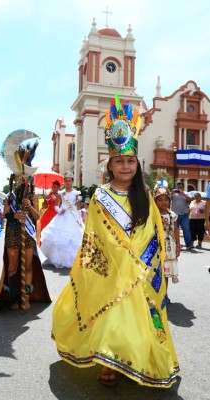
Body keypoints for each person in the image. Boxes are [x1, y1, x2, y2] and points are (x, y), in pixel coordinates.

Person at [51, 94, 180, 389]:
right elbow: (96, 234)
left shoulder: (145, 195)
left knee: (140, 318)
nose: (125, 166)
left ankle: (137, 358)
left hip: (142, 268)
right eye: (119, 161)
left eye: (130, 161)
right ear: (110, 164)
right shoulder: (100, 196)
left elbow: (152, 232)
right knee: (113, 314)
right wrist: (123, 259)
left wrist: (140, 261)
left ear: (137, 163)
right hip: (113, 269)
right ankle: (109, 361)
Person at [0, 174, 51, 313]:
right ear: (15, 179)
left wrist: (30, 207)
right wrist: (14, 215)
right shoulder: (10, 196)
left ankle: (26, 297)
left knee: (28, 266)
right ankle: (13, 297)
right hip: (12, 232)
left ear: (28, 179)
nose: (21, 180)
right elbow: (6, 214)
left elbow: (37, 217)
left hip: (27, 234)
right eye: (19, 178)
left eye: (24, 177)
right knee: (12, 266)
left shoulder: (33, 196)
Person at [40, 171, 84, 268]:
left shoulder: (76, 193)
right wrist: (60, 211)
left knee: (73, 238)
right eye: (66, 181)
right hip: (62, 216)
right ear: (64, 182)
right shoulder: (61, 193)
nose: (68, 182)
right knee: (58, 237)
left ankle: (73, 259)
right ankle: (56, 259)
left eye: (70, 181)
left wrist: (80, 216)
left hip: (73, 216)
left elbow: (78, 207)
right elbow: (56, 205)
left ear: (72, 181)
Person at [153, 182, 180, 292]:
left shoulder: (172, 215)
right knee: (156, 271)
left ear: (169, 201)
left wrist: (178, 245)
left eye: (166, 199)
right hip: (156, 246)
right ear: (155, 202)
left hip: (170, 247)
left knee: (166, 272)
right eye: (160, 200)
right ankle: (155, 295)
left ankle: (164, 295)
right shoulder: (153, 215)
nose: (163, 202)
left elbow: (176, 231)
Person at [171, 181, 193, 250]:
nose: (179, 189)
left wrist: (183, 194)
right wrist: (171, 192)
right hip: (175, 215)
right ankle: (175, 244)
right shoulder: (173, 194)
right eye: (178, 187)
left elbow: (190, 200)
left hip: (184, 215)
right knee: (174, 230)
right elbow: (167, 199)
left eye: (180, 187)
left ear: (183, 187)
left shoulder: (186, 193)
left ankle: (189, 245)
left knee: (186, 229)